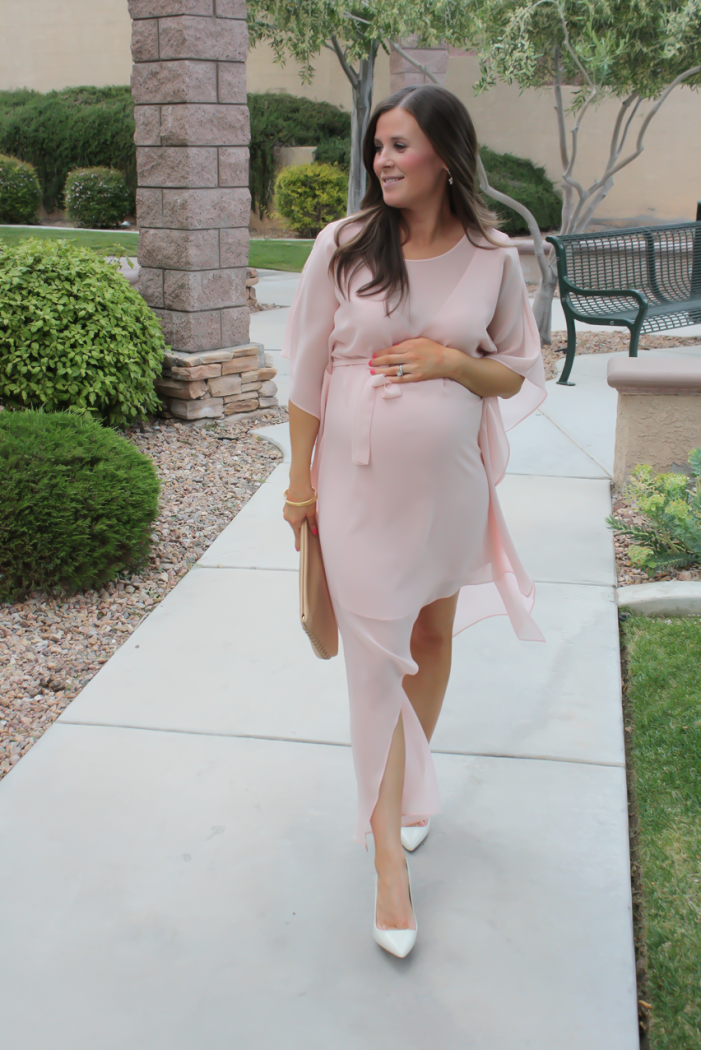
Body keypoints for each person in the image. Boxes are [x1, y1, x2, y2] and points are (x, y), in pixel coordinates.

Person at [282, 85, 546, 958]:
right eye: (377, 150)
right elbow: (305, 372)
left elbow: (513, 370)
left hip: (450, 488)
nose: (383, 162)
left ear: (444, 152)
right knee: (374, 662)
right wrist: (299, 489)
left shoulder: (490, 255)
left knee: (431, 641)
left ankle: (403, 793)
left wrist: (448, 364)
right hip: (354, 493)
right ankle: (387, 862)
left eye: (398, 146)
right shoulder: (345, 247)